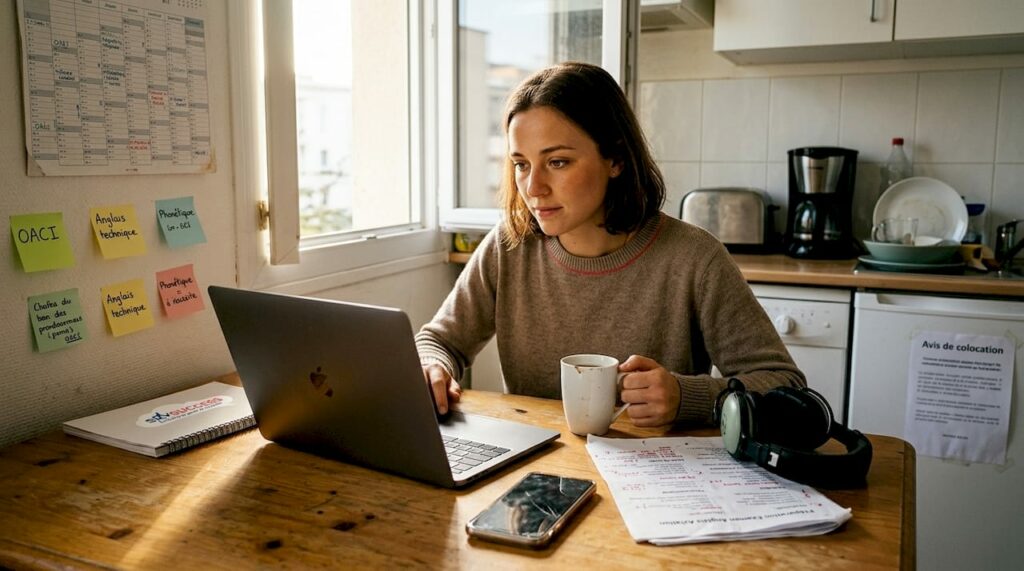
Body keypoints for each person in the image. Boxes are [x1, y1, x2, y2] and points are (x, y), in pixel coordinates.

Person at [416, 61, 805, 427]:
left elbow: (787, 388)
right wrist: (433, 366)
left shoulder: (695, 258)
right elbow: (438, 341)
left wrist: (686, 396)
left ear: (615, 159)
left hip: (653, 469)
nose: (533, 188)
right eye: (521, 164)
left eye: (558, 162)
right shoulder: (509, 246)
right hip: (540, 468)